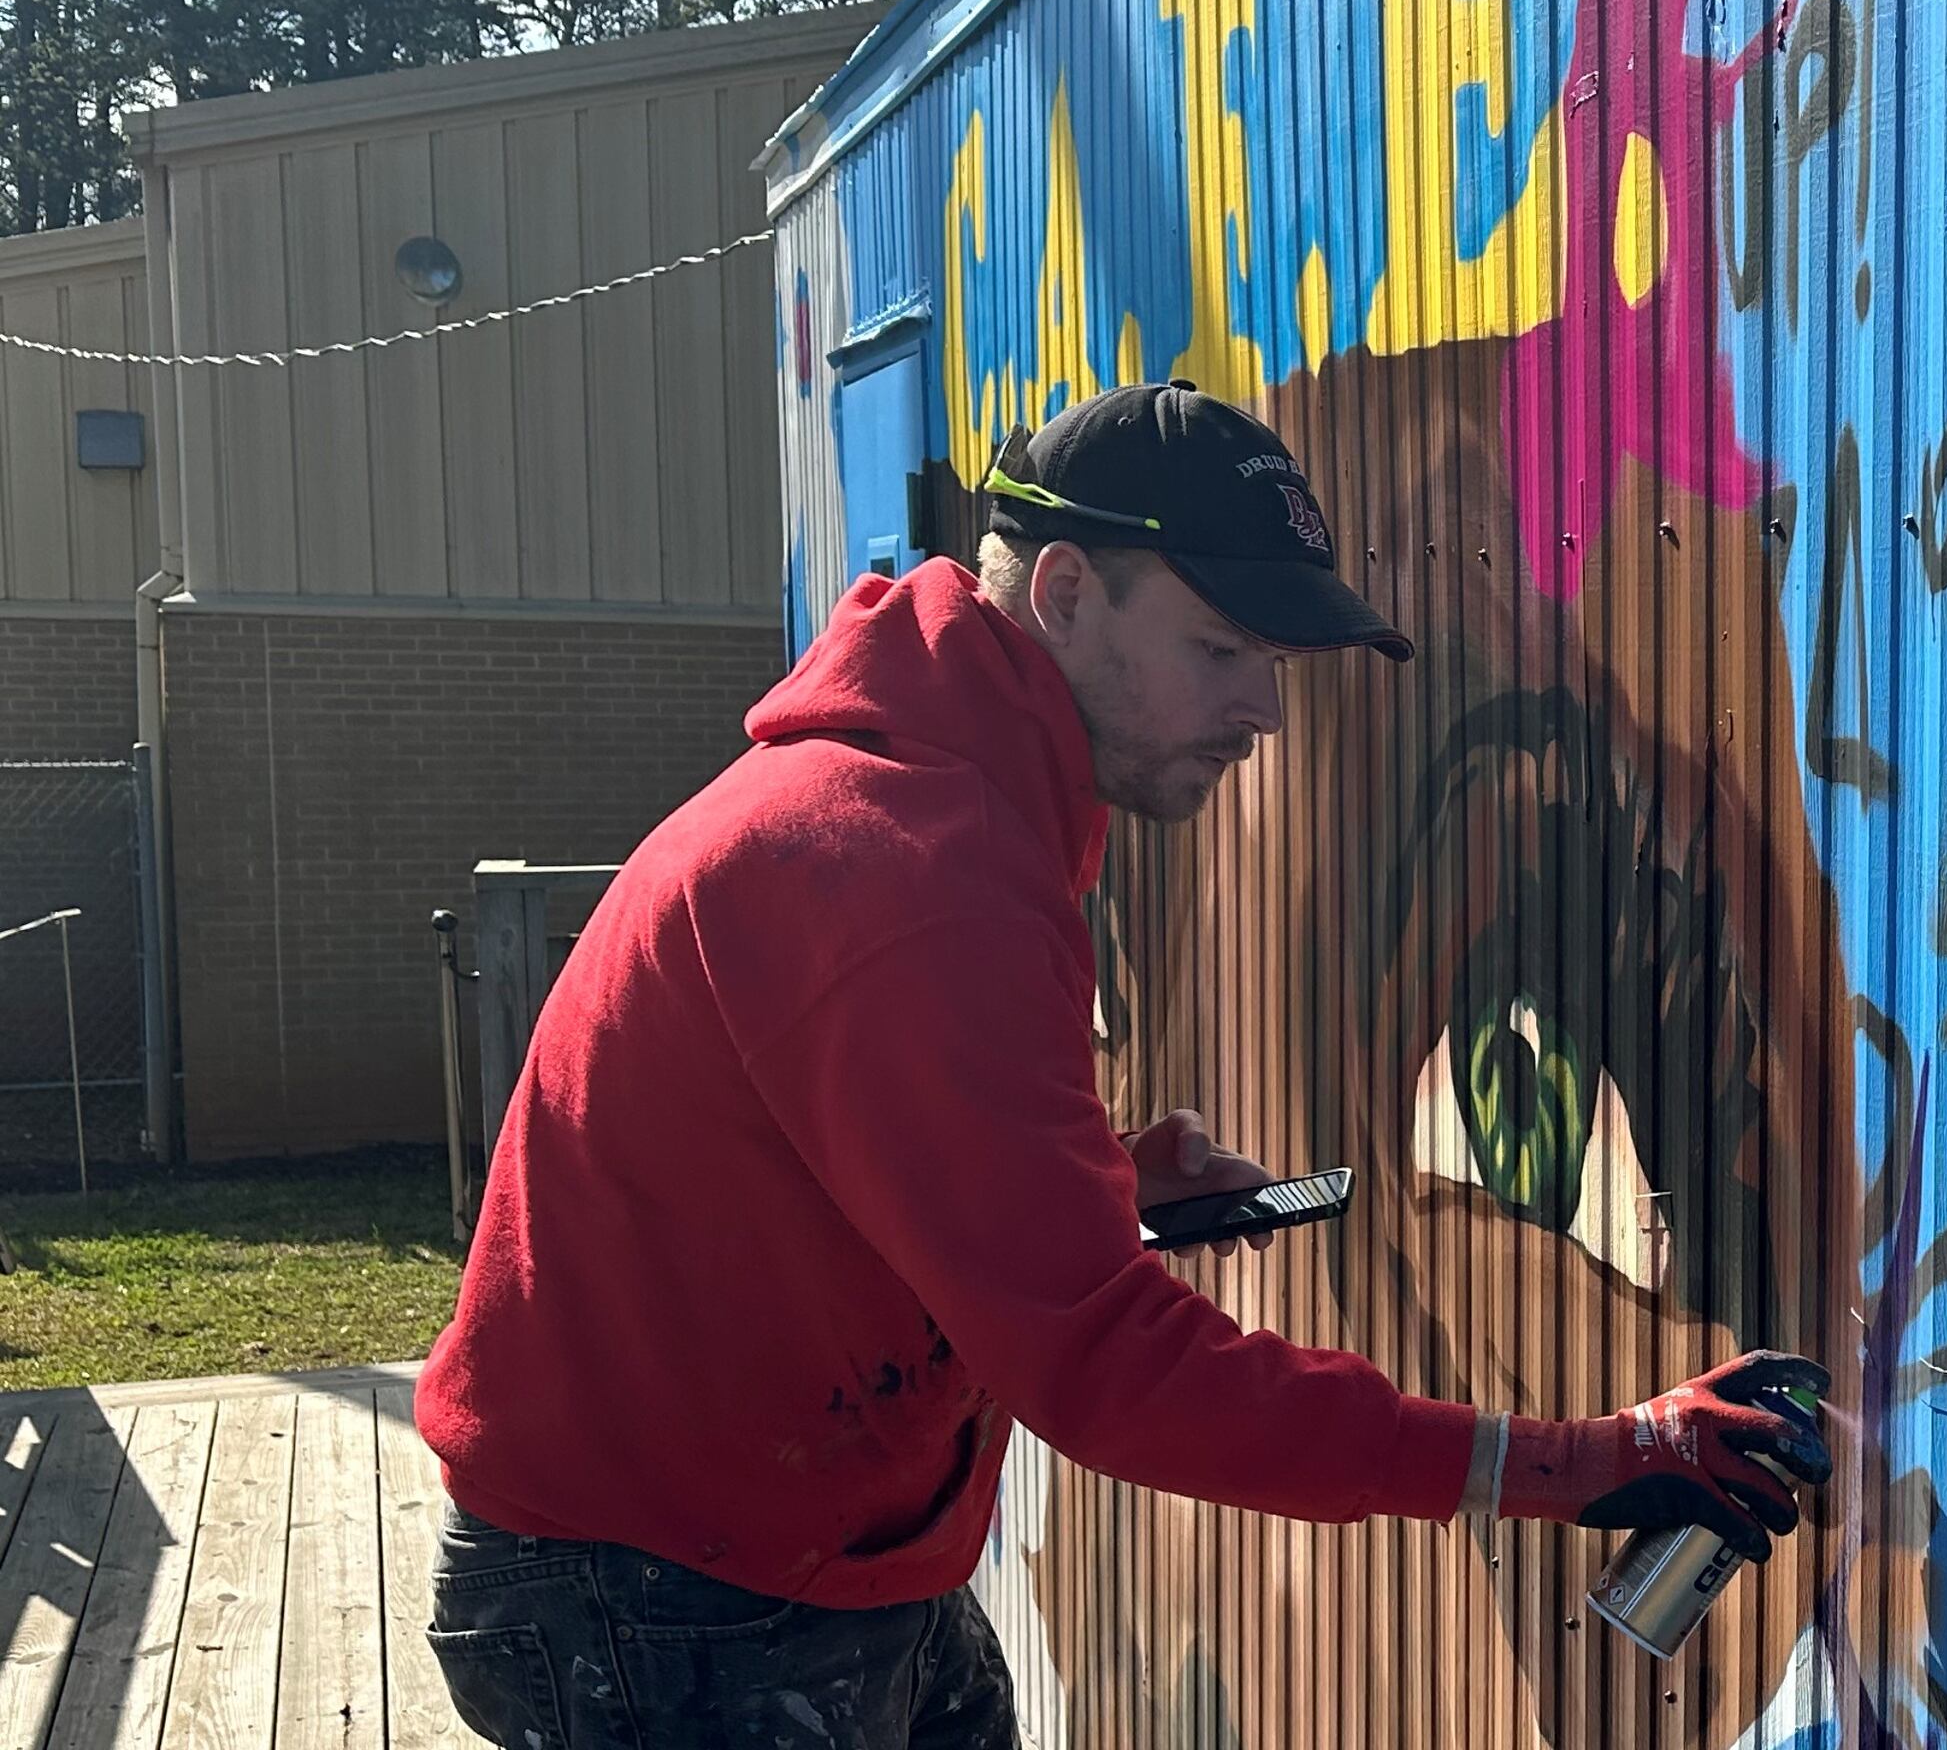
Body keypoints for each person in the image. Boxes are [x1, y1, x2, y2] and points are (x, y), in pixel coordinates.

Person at [415, 381, 1829, 1749]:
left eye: (1275, 663)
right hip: (657, 1583)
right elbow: (1107, 1372)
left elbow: (841, 1173)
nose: (1265, 711)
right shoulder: (901, 866)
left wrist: (1089, 1187)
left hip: (790, 1528)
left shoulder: (964, 803)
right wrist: (1580, 1460)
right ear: (1069, 594)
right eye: (1224, 650)